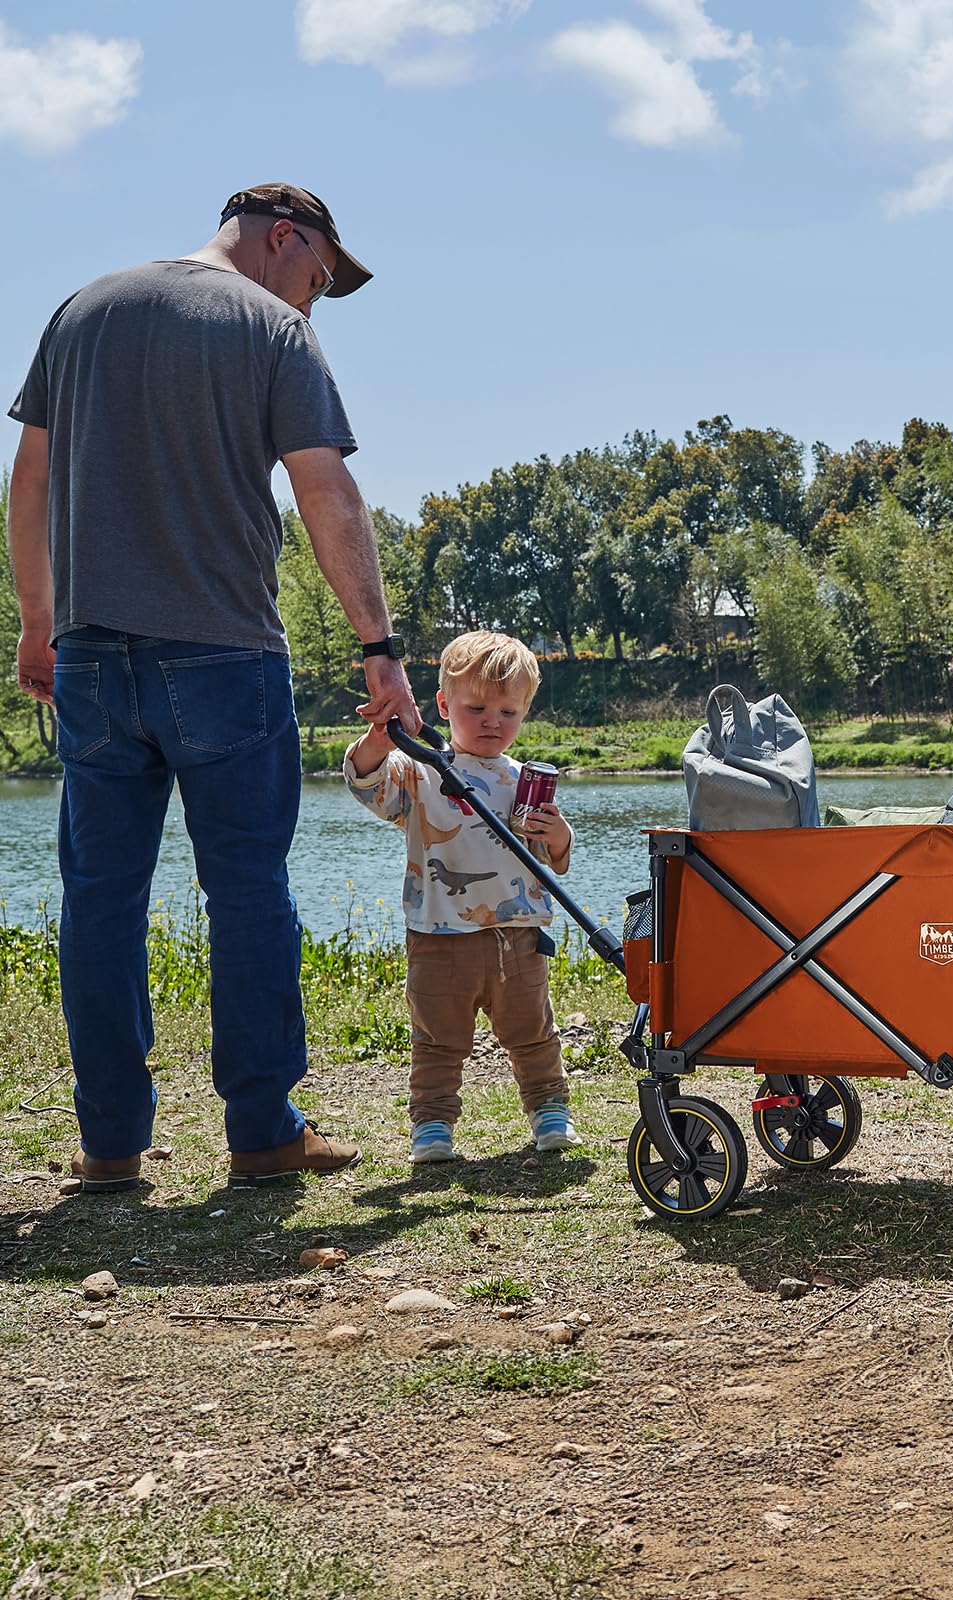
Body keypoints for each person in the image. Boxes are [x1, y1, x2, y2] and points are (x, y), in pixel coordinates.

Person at [5, 183, 421, 1192]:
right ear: (285, 237)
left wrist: (34, 618)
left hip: (94, 655)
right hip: (224, 655)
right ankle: (263, 1135)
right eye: (317, 279)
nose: (313, 303)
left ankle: (110, 1145)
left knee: (99, 899)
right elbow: (326, 490)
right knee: (246, 893)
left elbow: (28, 476)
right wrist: (380, 645)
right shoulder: (273, 330)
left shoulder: (83, 309)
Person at [343, 631, 580, 1165]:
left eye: (509, 711)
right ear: (444, 707)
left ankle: (549, 1110)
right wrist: (380, 740)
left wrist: (558, 833)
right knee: (438, 1039)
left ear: (525, 713)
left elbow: (552, 858)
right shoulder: (423, 771)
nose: (493, 722)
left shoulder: (527, 781)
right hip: (438, 935)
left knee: (532, 1031)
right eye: (476, 708)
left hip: (517, 934)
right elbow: (366, 785)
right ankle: (431, 1125)